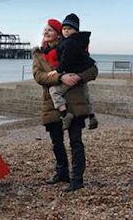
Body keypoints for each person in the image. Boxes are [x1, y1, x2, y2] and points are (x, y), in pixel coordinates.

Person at [33, 18, 98, 192]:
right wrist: (60, 77)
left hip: (74, 102)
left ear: (58, 33)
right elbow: (38, 76)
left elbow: (93, 70)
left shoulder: (72, 47)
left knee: (75, 141)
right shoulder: (39, 54)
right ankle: (62, 173)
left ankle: (77, 179)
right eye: (44, 30)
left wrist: (79, 77)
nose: (46, 32)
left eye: (50, 30)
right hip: (51, 103)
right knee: (57, 142)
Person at [47, 13, 98, 130]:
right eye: (64, 29)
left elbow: (66, 59)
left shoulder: (69, 43)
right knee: (86, 94)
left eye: (69, 29)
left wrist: (57, 71)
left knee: (54, 91)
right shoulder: (79, 42)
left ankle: (65, 114)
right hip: (84, 69)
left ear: (76, 30)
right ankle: (92, 116)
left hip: (76, 72)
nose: (66, 31)